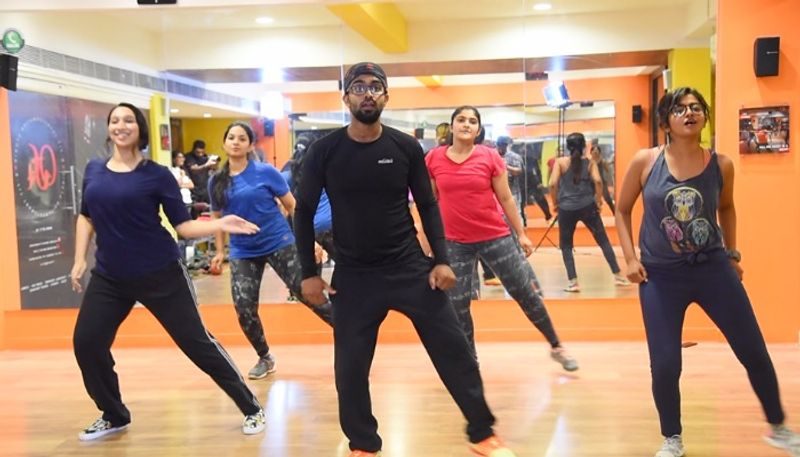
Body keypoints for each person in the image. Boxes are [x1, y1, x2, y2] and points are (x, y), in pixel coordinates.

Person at [294, 62, 517, 457]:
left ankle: (482, 433)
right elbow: (304, 211)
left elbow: (428, 205)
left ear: (386, 96)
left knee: (454, 349)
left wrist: (441, 260)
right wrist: (308, 274)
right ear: (346, 97)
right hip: (355, 275)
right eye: (358, 86)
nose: (367, 93)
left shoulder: (405, 147)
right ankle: (363, 444)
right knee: (350, 368)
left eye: (375, 87)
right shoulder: (324, 151)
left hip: (408, 267)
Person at [615, 87, 800, 457]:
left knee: (753, 350)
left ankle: (779, 427)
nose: (689, 113)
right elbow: (622, 209)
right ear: (666, 120)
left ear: (704, 116)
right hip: (661, 277)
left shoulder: (721, 164)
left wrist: (732, 253)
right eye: (680, 109)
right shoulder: (646, 162)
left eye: (696, 107)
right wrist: (630, 259)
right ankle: (672, 438)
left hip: (713, 270)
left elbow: (726, 207)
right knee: (665, 364)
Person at [70, 103, 266, 441]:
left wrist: (221, 223)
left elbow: (183, 226)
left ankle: (251, 406)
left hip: (160, 272)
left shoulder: (157, 174)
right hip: (110, 276)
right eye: (114, 121)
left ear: (140, 129)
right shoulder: (94, 170)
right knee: (86, 342)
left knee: (197, 344)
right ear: (108, 128)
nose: (121, 126)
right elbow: (86, 216)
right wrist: (79, 259)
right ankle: (113, 414)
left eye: (128, 120)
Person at [426, 105, 578, 372]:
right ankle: (470, 363)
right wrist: (429, 245)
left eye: (472, 121)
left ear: (478, 129)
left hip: (494, 235)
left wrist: (521, 234)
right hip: (455, 242)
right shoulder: (434, 158)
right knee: (458, 305)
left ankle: (556, 346)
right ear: (452, 126)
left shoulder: (489, 156)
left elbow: (506, 198)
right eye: (461, 120)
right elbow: (431, 202)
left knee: (525, 292)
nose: (466, 124)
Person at [208, 121, 333, 380]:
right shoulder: (216, 181)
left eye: (242, 138)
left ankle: (348, 333)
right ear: (224, 143)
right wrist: (219, 251)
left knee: (306, 292)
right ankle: (265, 357)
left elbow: (293, 206)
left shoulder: (266, 173)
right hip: (243, 250)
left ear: (250, 145)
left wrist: (308, 239)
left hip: (278, 241)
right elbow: (217, 218)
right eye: (231, 137)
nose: (235, 142)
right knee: (244, 307)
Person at [549, 132, 629, 292]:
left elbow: (552, 184)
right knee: (603, 240)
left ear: (568, 147)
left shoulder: (560, 162)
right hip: (588, 206)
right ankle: (618, 275)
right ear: (584, 146)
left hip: (566, 208)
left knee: (566, 245)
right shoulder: (590, 163)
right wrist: (598, 201)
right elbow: (598, 181)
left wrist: (555, 203)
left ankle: (573, 282)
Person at [184, 139, 218, 205]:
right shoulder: (189, 157)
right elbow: (193, 169)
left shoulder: (205, 157)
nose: (200, 154)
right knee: (195, 208)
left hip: (205, 188)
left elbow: (214, 169)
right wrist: (206, 165)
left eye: (202, 152)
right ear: (193, 150)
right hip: (194, 189)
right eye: (198, 152)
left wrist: (214, 163)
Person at [590, 138, 616, 213]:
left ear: (599, 152)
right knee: (591, 200)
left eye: (597, 151)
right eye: (594, 151)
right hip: (592, 183)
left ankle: (614, 212)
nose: (595, 152)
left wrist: (608, 163)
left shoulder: (602, 160)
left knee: (608, 199)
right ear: (591, 152)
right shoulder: (589, 162)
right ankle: (594, 214)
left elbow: (607, 169)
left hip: (602, 182)